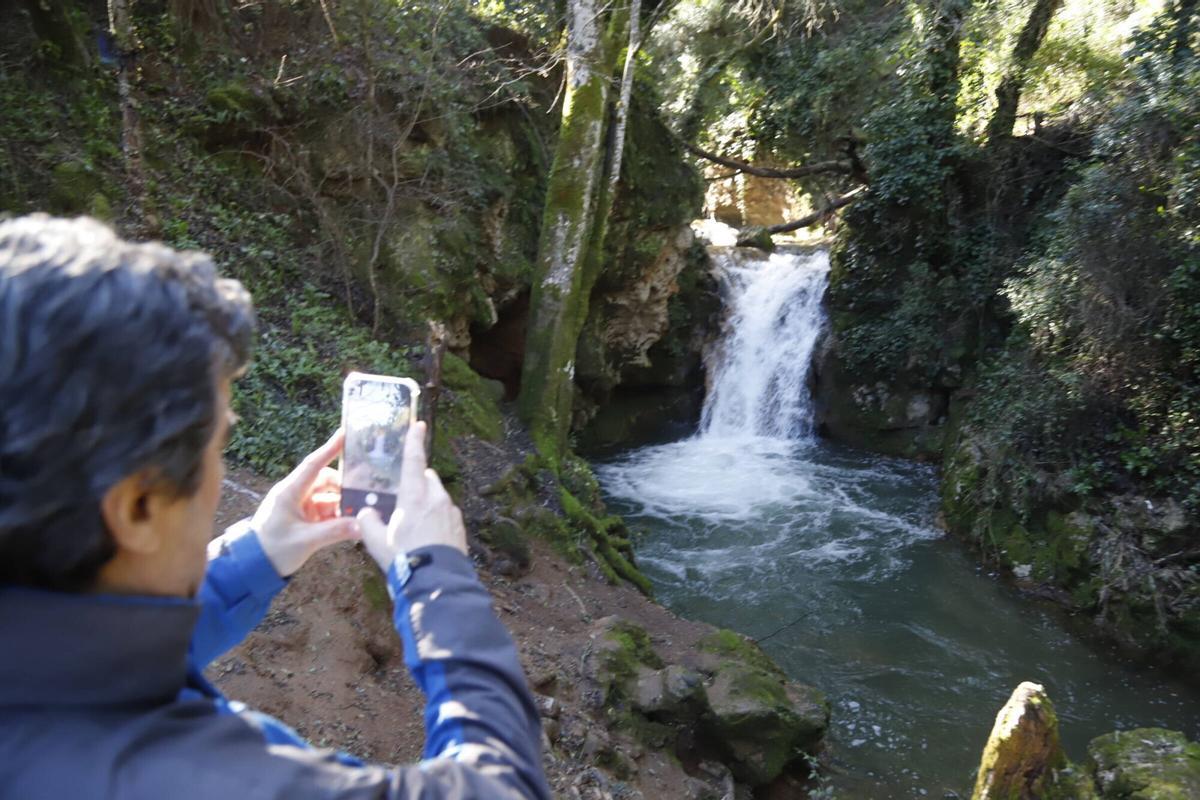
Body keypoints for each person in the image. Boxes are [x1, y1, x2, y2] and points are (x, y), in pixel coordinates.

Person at [0, 215, 551, 800]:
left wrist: (256, 555)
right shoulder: (198, 777)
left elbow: (84, 661)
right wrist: (438, 578)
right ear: (137, 508)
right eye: (219, 445)